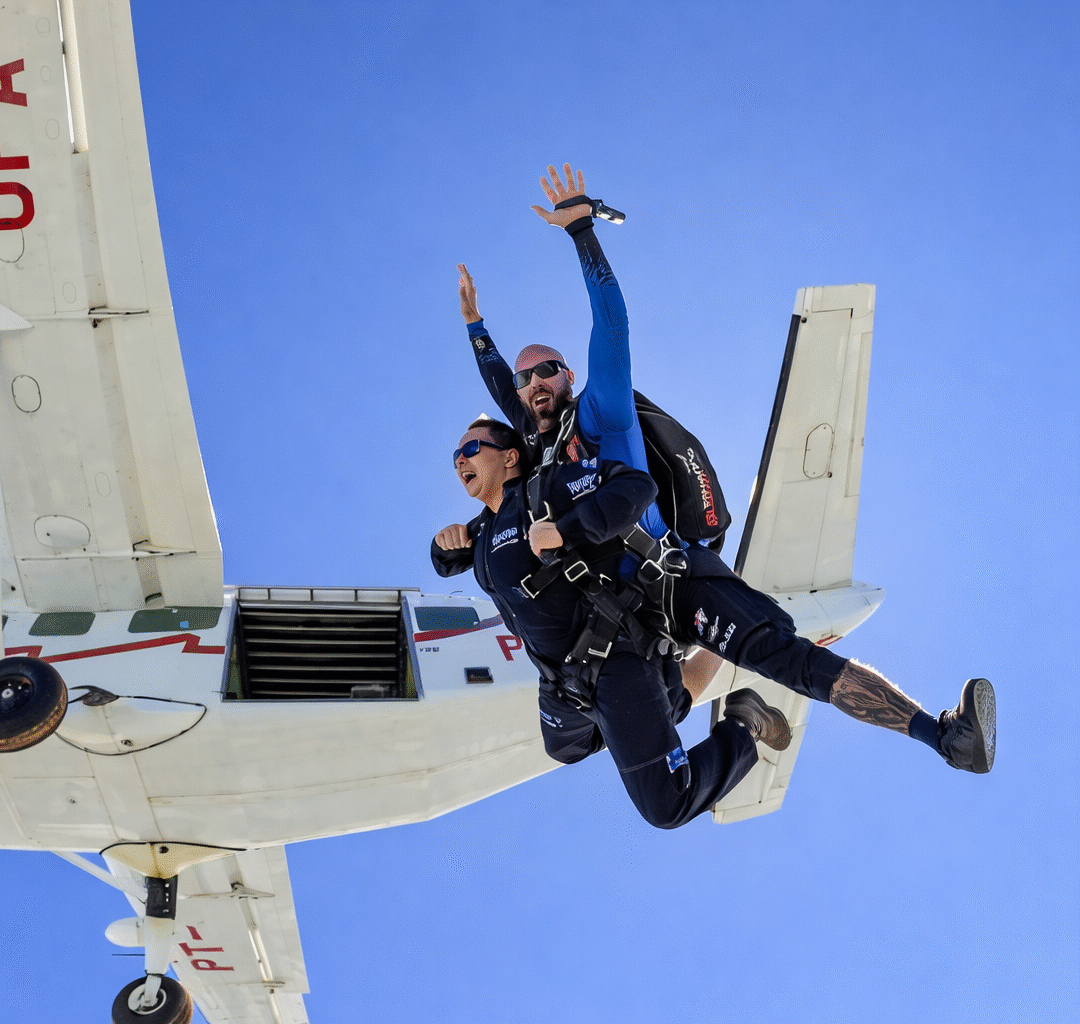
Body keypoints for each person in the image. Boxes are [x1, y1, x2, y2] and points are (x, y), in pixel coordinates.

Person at [455, 163, 996, 774]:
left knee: (782, 654)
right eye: (525, 379)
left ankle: (946, 737)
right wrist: (476, 328)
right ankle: (730, 714)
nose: (533, 384)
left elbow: (612, 327)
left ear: (568, 377)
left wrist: (583, 232)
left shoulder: (601, 413)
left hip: (669, 574)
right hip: (615, 621)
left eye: (546, 370)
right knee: (579, 736)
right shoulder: (530, 451)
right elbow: (500, 384)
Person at [432, 417, 793, 829]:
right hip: (559, 683)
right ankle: (655, 706)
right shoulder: (482, 528)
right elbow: (444, 560)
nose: (461, 459)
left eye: (471, 449)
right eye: (456, 455)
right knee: (564, 748)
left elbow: (634, 486)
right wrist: (445, 544)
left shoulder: (541, 493)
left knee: (666, 806)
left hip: (606, 652)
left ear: (510, 456)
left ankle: (745, 724)